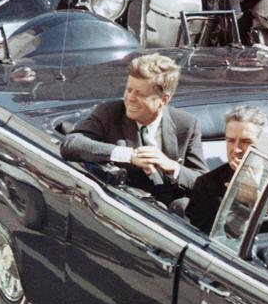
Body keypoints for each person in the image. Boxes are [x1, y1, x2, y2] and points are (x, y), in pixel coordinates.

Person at [61, 53, 208, 205]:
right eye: (128, 89)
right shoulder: (110, 113)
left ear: (163, 99)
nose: (130, 98)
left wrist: (172, 167)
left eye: (140, 94)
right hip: (125, 207)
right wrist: (129, 155)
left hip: (170, 215)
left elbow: (204, 183)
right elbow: (71, 144)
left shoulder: (186, 124)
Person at [185, 106, 268, 235]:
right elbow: (200, 233)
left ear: (266, 143)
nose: (236, 149)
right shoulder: (207, 183)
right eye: (230, 141)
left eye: (246, 142)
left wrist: (262, 202)